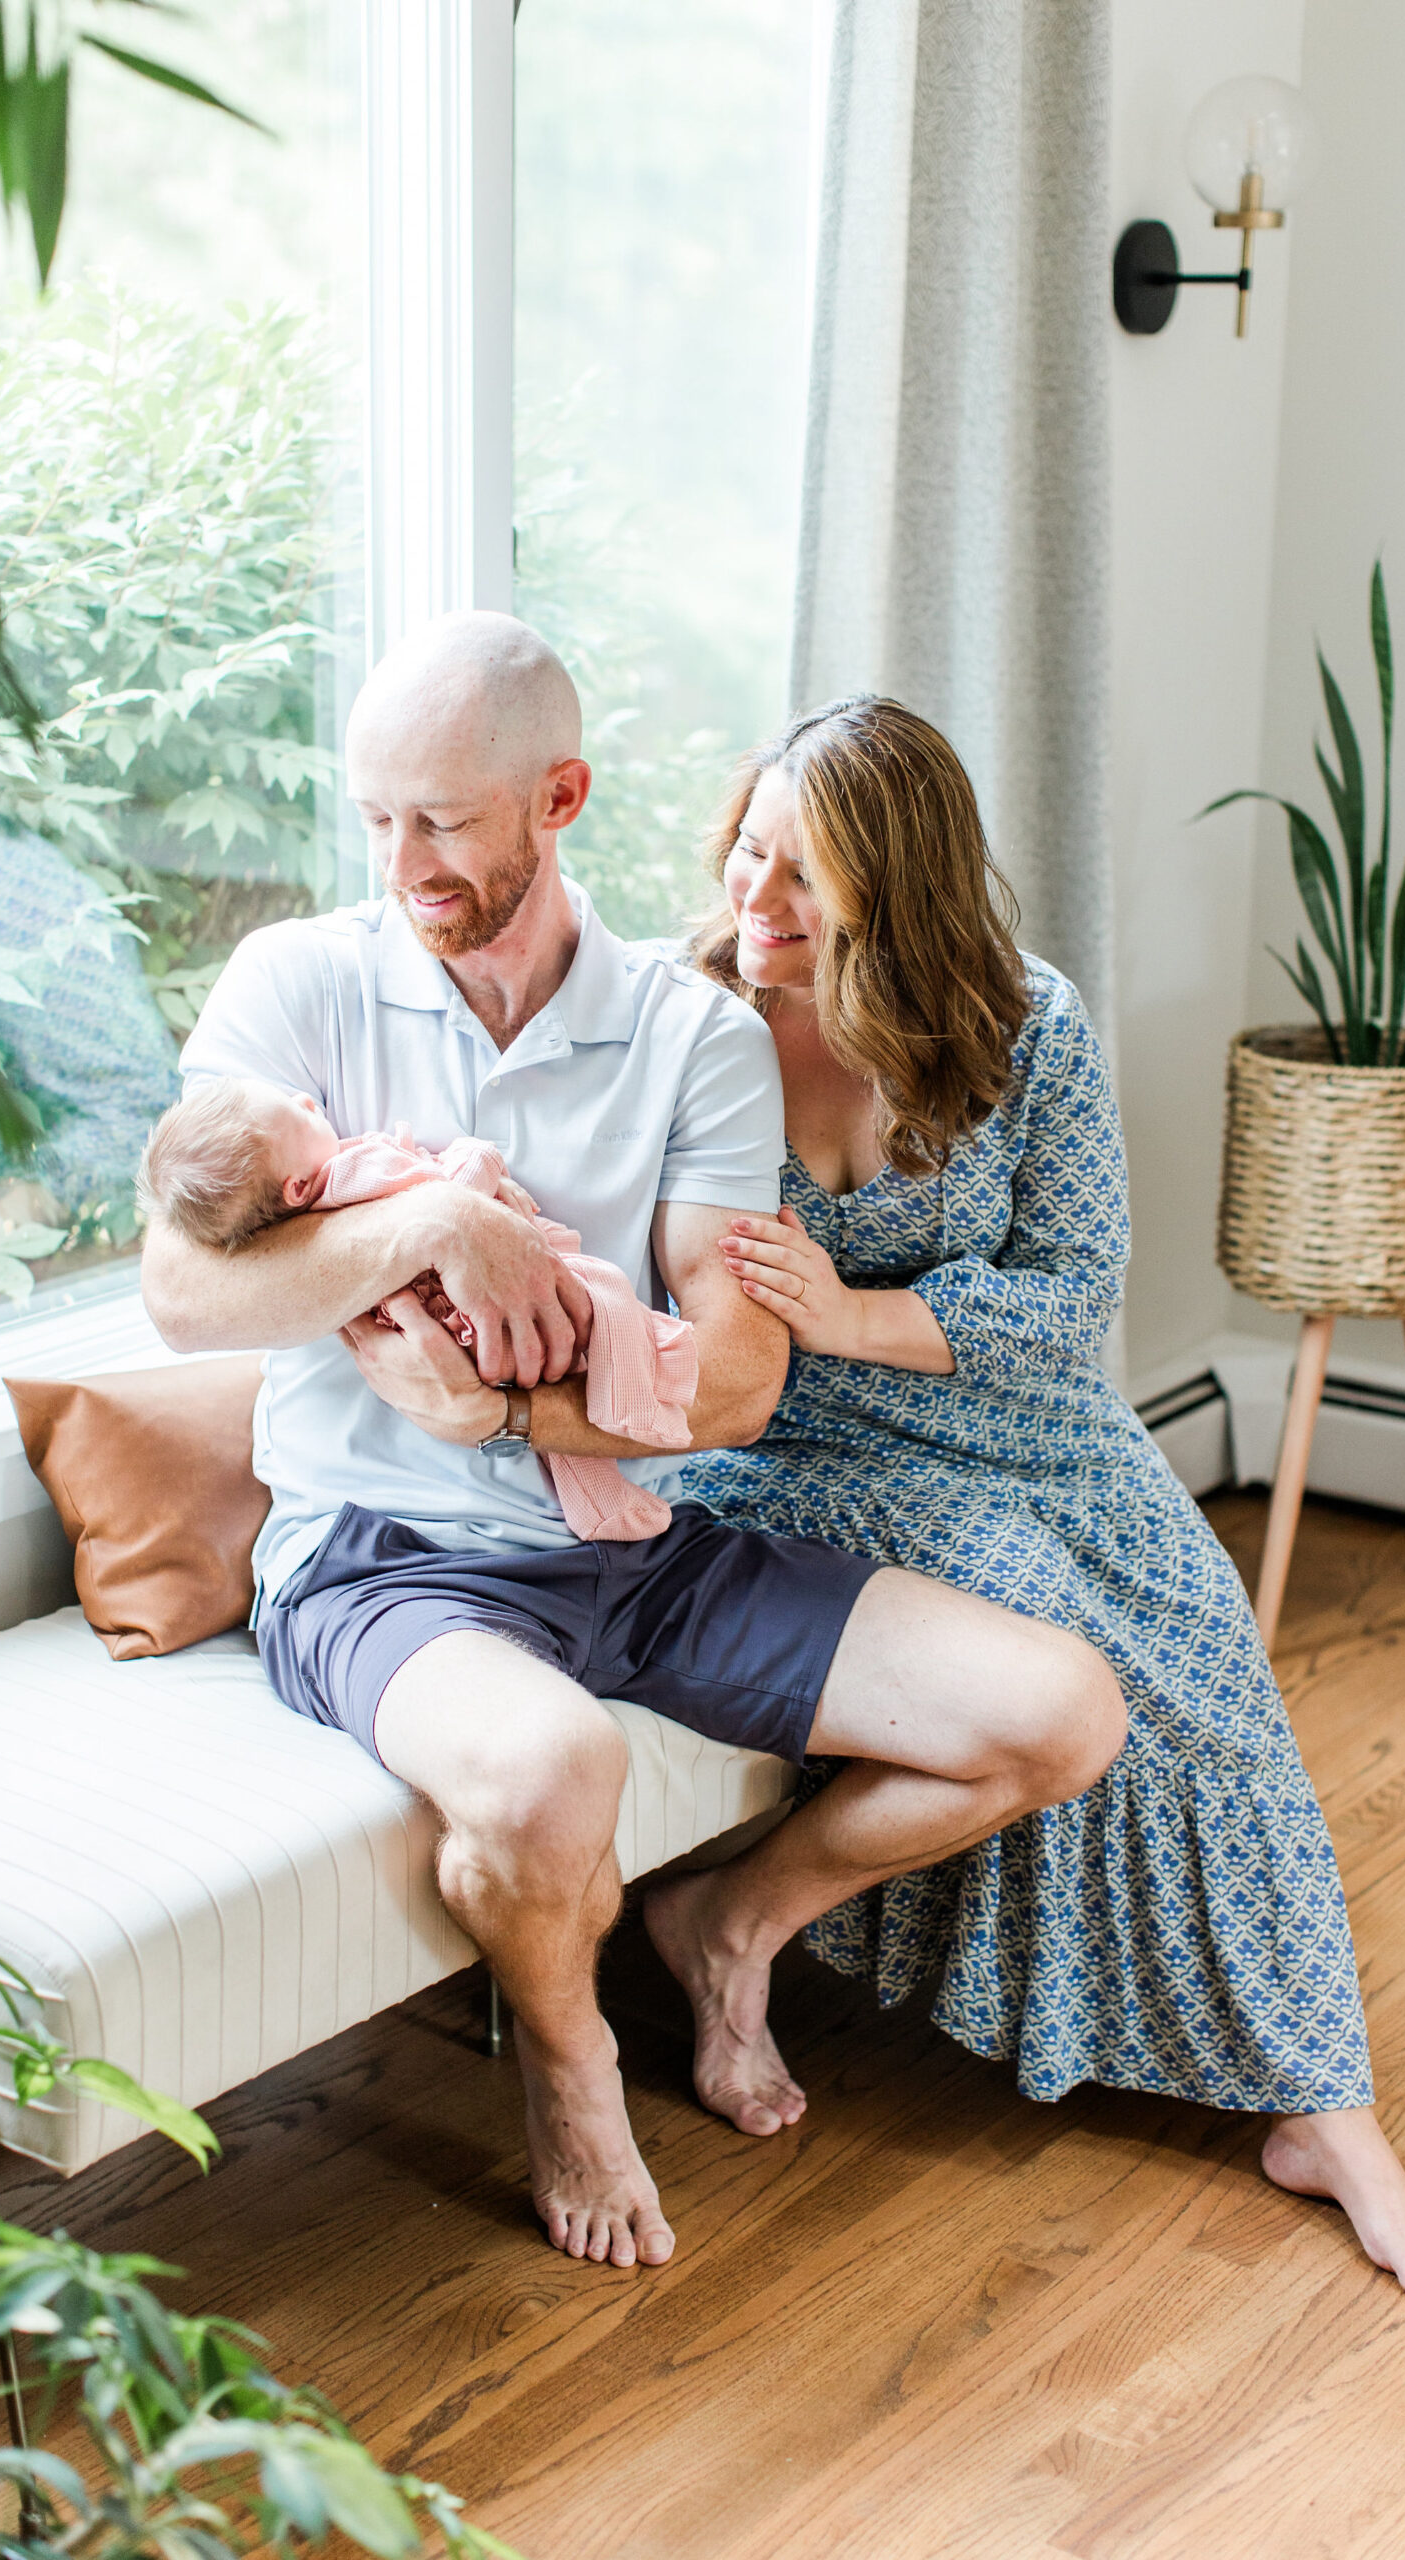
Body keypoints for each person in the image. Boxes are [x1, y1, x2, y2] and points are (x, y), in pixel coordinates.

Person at [139, 614, 1126, 2273]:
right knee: (552, 1768)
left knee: (1056, 1710)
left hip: (631, 1542)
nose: (400, 860)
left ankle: (726, 1923)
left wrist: (506, 1406)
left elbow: (733, 1386)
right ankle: (571, 2061)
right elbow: (183, 1292)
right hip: (381, 1560)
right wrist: (450, 1226)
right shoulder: (299, 984)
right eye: (375, 816)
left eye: (441, 820)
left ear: (561, 795)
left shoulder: (693, 1036)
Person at [654, 692, 1405, 2304]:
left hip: (1024, 1417)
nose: (757, 908)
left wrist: (859, 1312)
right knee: (1060, 1633)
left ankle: (1320, 2105)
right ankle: (737, 1929)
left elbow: (1072, 1289)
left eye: (805, 883)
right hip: (797, 1448)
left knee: (1208, 1666)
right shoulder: (684, 1023)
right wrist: (802, 1343)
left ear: (900, 902)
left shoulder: (1024, 1021)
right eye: (749, 852)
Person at [136, 1075, 697, 1539]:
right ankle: (636, 1400)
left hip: (452, 1328)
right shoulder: (349, 1175)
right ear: (297, 1187)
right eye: (297, 1115)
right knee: (606, 1296)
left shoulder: (310, 1223)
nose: (309, 1101)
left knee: (557, 1395)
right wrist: (481, 1156)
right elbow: (449, 1191)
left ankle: (598, 1502)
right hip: (477, 1310)